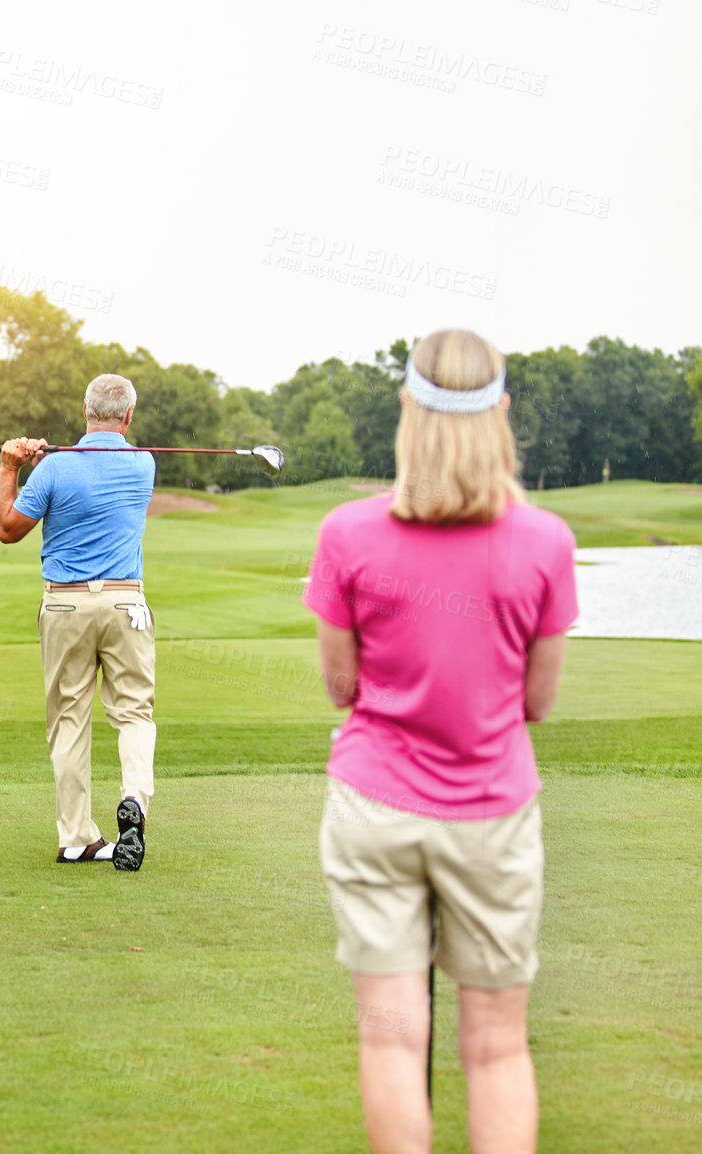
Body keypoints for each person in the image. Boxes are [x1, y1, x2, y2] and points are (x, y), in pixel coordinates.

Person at [305, 329, 574, 1154]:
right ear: (499, 411)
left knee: (390, 1036)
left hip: (374, 811)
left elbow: (341, 689)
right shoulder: (544, 542)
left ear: (406, 411)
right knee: (494, 1047)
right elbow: (536, 700)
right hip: (490, 815)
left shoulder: (347, 533)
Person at [0, 373, 157, 870]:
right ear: (128, 417)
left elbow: (7, 529)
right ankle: (135, 799)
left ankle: (77, 837)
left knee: (70, 720)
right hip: (126, 604)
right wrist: (51, 465)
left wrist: (11, 468)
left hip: (64, 605)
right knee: (133, 712)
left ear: (84, 411)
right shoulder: (144, 464)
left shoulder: (54, 470)